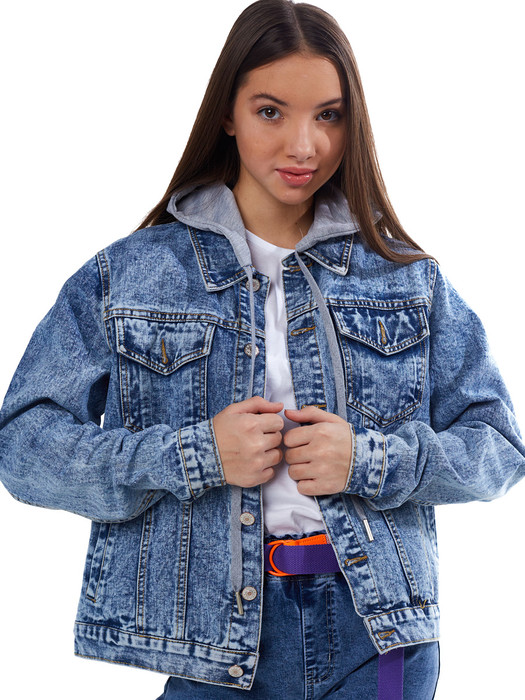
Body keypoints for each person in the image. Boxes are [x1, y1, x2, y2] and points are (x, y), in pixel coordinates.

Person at [0, 0, 523, 698]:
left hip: (377, 635)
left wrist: (366, 460)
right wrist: (194, 454)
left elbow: (497, 448)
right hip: (208, 642)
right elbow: (23, 447)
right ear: (228, 113)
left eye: (328, 115)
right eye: (271, 112)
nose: (303, 146)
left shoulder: (406, 279)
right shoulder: (129, 275)